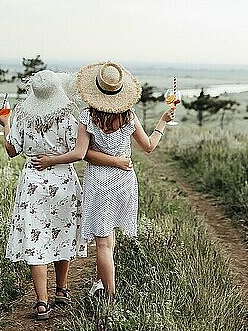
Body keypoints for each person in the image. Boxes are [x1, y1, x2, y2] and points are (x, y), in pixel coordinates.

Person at [31, 61, 176, 297]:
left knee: (103, 243)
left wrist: (50, 160)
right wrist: (162, 122)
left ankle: (109, 295)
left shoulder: (87, 117)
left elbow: (81, 154)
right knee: (110, 239)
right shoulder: (129, 116)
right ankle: (101, 285)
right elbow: (149, 146)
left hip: (99, 183)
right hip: (124, 182)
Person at [0, 70, 88, 321]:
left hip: (33, 183)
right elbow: (78, 151)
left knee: (37, 237)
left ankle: (42, 303)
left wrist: (6, 125)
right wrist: (54, 160)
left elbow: (12, 150)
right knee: (63, 232)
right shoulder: (69, 117)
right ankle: (62, 290)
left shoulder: (23, 116)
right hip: (63, 182)